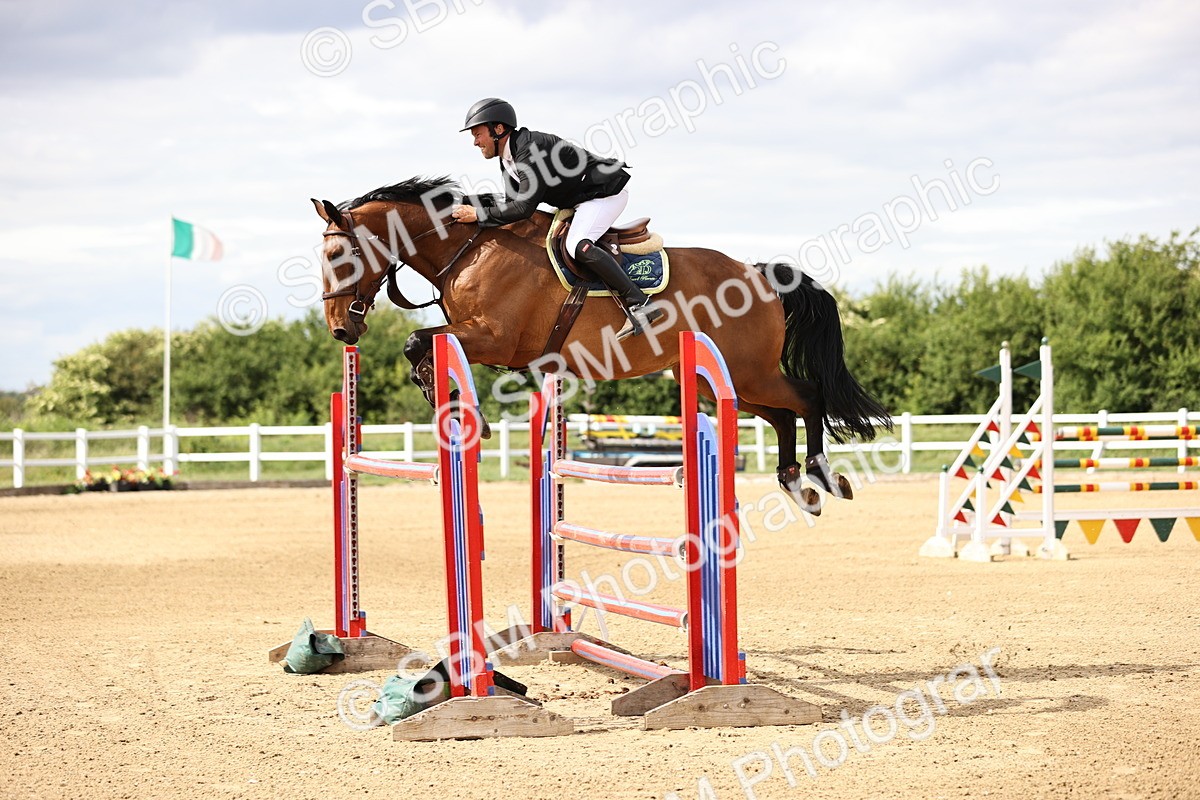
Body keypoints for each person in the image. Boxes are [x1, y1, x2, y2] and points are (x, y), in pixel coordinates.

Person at [450, 98, 664, 341]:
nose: (475, 142)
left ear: (498, 129)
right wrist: (463, 201)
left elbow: (523, 208)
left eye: (478, 134)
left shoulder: (530, 150)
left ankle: (640, 302)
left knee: (577, 246)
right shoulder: (509, 158)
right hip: (580, 201)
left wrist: (477, 214)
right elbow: (511, 203)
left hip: (604, 195)